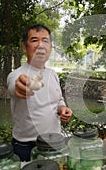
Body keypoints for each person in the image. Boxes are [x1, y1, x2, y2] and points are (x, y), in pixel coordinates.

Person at [7, 24, 72, 161]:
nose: (41, 45)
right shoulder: (15, 75)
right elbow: (15, 87)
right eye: (34, 40)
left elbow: (59, 99)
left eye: (45, 41)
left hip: (54, 142)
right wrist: (21, 87)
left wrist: (63, 108)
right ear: (25, 47)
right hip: (25, 146)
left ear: (50, 48)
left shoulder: (53, 74)